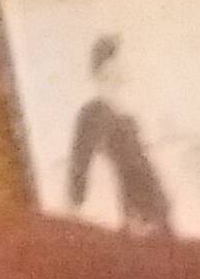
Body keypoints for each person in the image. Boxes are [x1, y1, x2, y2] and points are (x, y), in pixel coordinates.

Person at [64, 36, 175, 233]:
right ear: (107, 67)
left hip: (156, 211)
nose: (126, 67)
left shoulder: (125, 114)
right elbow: (79, 167)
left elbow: (141, 163)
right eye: (120, 60)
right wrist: (75, 211)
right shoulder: (94, 112)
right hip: (139, 219)